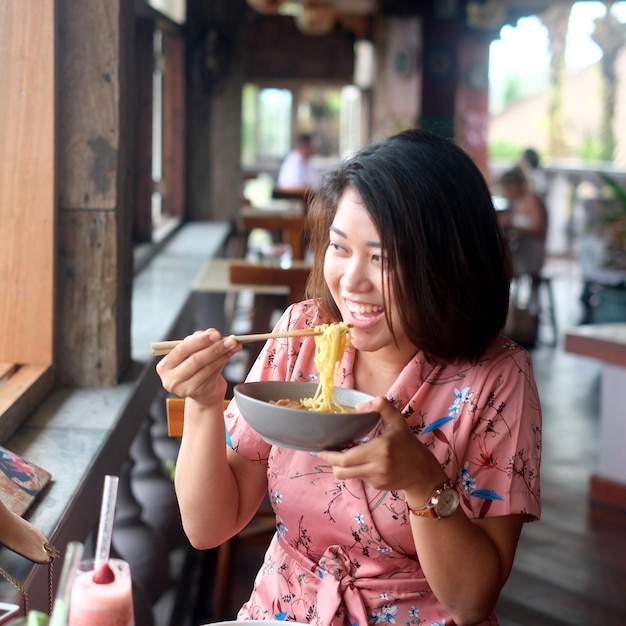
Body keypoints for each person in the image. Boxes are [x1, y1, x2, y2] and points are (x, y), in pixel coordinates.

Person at [156, 129, 542, 626]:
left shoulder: (497, 376)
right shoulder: (301, 333)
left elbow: (472, 602)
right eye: (340, 248)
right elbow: (208, 527)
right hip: (283, 612)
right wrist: (206, 404)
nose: (351, 282)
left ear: (448, 265)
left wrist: (423, 482)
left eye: (383, 257)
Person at [498, 165, 549, 277]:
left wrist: (512, 226)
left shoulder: (532, 199)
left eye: (507, 189)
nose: (506, 193)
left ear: (515, 186)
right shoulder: (517, 202)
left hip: (531, 255)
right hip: (520, 251)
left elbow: (538, 229)